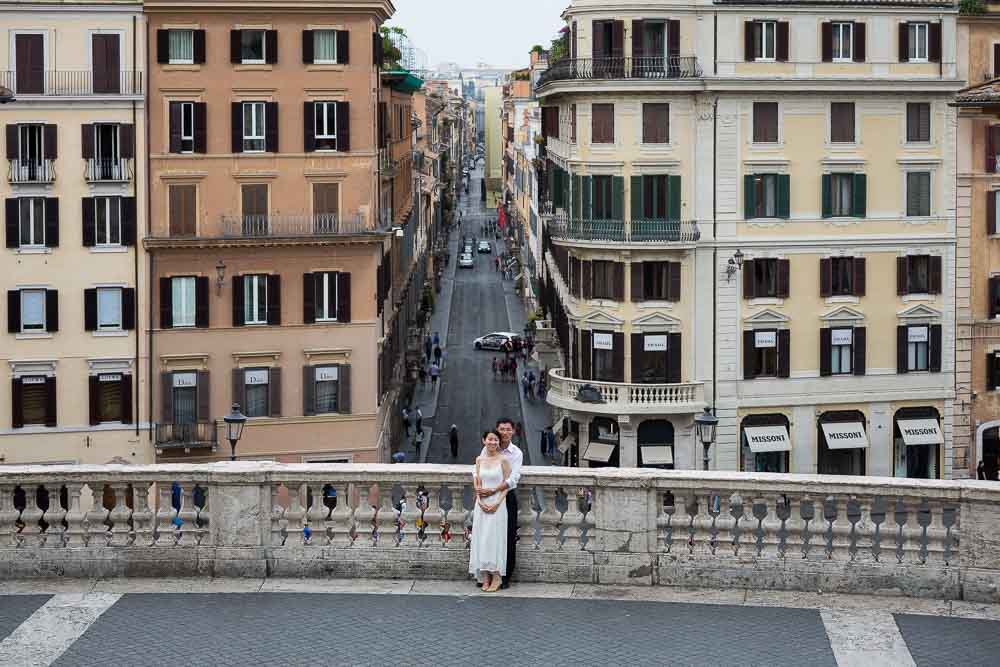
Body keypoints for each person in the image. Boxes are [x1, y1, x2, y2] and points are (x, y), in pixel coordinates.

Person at [476, 418, 522, 589]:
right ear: (497, 430)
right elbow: (479, 471)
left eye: (508, 429)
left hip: (505, 496)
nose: (505, 432)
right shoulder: (488, 446)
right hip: (487, 496)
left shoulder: (516, 453)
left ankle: (505, 575)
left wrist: (494, 490)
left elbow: (513, 479)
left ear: (513, 432)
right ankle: (485, 573)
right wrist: (481, 494)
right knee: (486, 535)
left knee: (508, 536)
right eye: (501, 429)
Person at [469, 430, 511, 592]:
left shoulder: (504, 460)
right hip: (481, 505)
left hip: (497, 505)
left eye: (495, 440)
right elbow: (478, 484)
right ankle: (485, 577)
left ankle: (497, 576)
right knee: (481, 539)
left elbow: (507, 485)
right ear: (484, 440)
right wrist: (479, 502)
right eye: (490, 439)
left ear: (498, 442)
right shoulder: (479, 460)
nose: (492, 442)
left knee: (493, 540)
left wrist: (497, 504)